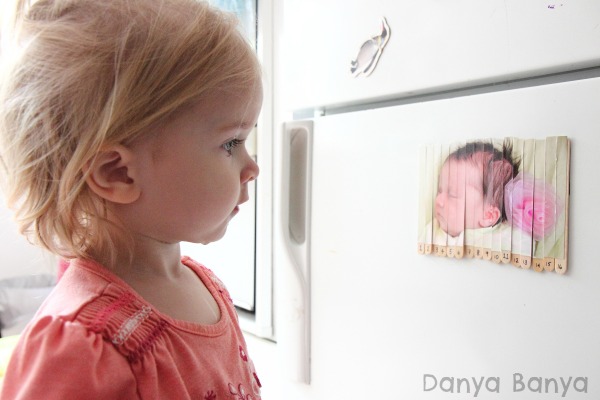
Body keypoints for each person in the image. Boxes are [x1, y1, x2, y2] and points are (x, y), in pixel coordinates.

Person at [0, 0, 263, 398]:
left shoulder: (204, 286)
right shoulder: (85, 347)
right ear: (117, 173)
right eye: (231, 143)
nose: (252, 166)